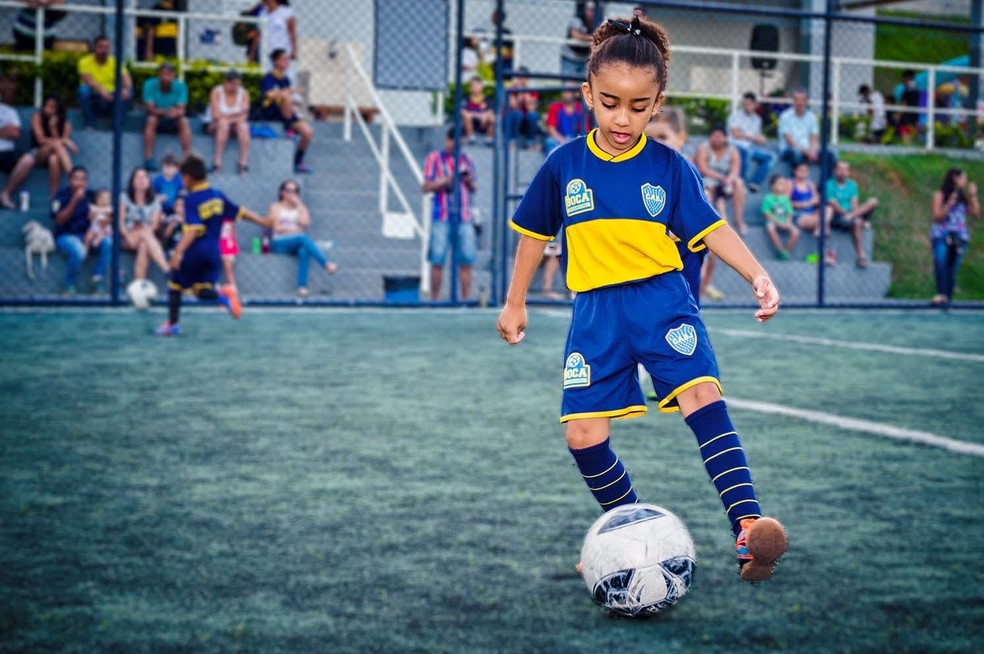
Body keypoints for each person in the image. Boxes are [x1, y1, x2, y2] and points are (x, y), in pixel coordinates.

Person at [496, 15, 786, 583]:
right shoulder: (564, 164)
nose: (622, 118)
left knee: (702, 395)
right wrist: (515, 302)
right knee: (582, 433)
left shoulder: (669, 167)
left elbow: (711, 227)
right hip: (596, 314)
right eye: (609, 103)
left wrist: (757, 273)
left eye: (637, 106)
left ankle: (750, 527)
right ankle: (627, 537)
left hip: (662, 303)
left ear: (657, 103)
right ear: (588, 96)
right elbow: (534, 234)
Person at [156, 155, 273, 336]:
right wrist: (263, 221)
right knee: (201, 290)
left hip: (196, 249)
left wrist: (178, 252)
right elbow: (240, 212)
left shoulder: (191, 199)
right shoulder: (217, 195)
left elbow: (193, 229)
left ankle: (172, 325)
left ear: (187, 178)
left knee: (175, 285)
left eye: (182, 178)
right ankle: (223, 294)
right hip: (214, 252)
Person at [422, 128, 478, 301]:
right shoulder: (434, 159)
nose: (457, 146)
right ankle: (435, 300)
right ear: (447, 140)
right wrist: (447, 180)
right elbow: (425, 187)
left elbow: (475, 187)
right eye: (454, 142)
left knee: (466, 260)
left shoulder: (467, 159)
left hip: (464, 215)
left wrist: (467, 180)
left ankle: (465, 300)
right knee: (437, 260)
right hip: (442, 215)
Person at [267, 179, 338, 297]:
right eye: (288, 191)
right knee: (302, 238)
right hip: (279, 242)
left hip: (296, 241)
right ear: (281, 192)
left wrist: (299, 205)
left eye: (294, 191)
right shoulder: (275, 207)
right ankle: (326, 264)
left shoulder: (301, 208)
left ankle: (301, 287)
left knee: (304, 251)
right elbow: (276, 227)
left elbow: (305, 224)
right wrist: (295, 229)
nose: (291, 194)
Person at [50, 165, 110, 293]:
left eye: (83, 179)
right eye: (76, 179)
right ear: (69, 180)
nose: (79, 183)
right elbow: (58, 220)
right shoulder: (60, 195)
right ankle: (69, 283)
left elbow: (107, 207)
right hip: (66, 235)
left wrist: (102, 218)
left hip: (87, 234)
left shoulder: (91, 195)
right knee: (79, 251)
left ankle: (96, 280)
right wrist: (74, 201)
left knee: (107, 242)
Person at [260, 48, 313, 174]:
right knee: (285, 96)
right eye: (284, 59)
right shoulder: (268, 77)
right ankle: (289, 128)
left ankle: (298, 161)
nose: (287, 62)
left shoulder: (286, 79)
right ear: (275, 61)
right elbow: (269, 95)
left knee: (307, 132)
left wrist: (295, 101)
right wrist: (289, 91)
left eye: (288, 59)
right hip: (272, 111)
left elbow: (288, 99)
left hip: (286, 114)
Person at [929, 168, 978, 306]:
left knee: (952, 267)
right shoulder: (940, 195)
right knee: (941, 263)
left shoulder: (964, 197)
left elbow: (975, 213)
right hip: (941, 234)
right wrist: (948, 205)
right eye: (963, 178)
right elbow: (937, 217)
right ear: (955, 178)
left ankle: (948, 297)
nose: (965, 181)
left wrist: (973, 196)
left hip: (959, 236)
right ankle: (941, 294)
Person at [119, 166, 170, 282]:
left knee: (144, 245)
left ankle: (138, 284)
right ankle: (167, 269)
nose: (141, 180)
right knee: (145, 236)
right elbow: (120, 223)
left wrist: (144, 233)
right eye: (138, 177)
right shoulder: (124, 197)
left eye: (144, 177)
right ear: (132, 182)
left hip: (146, 238)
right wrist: (127, 236)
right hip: (127, 236)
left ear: (148, 181)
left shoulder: (155, 201)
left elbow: (154, 226)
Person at [695, 124, 748, 235]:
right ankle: (710, 224)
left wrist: (729, 178)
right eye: (714, 136)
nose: (716, 139)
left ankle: (739, 220)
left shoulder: (733, 150)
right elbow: (703, 168)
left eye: (719, 136)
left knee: (739, 183)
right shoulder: (703, 148)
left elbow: (735, 169)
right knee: (708, 187)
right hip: (708, 177)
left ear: (725, 137)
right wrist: (721, 178)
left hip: (725, 179)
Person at [825, 161, 878, 268]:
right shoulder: (829, 184)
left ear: (848, 172)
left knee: (873, 201)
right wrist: (847, 213)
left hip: (851, 214)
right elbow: (832, 204)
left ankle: (857, 219)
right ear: (835, 171)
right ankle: (860, 256)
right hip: (837, 215)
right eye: (840, 169)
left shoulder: (852, 185)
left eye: (845, 170)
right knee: (857, 223)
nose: (843, 172)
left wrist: (852, 214)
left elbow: (854, 203)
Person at [141, 62, 191, 171]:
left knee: (184, 121)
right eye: (163, 74)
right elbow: (150, 109)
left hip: (172, 119)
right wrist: (168, 110)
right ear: (158, 75)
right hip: (156, 118)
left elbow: (181, 109)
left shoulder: (181, 87)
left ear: (174, 76)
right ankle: (148, 158)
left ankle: (187, 159)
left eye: (169, 74)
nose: (166, 77)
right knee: (151, 119)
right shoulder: (149, 85)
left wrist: (173, 112)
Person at [77, 35, 133, 130]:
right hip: (95, 95)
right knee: (83, 91)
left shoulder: (115, 62)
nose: (104, 50)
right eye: (101, 47)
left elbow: (126, 78)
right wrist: (101, 91)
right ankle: (90, 124)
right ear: (94, 47)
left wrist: (126, 88)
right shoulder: (84, 61)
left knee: (129, 92)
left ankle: (117, 126)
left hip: (113, 95)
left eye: (107, 47)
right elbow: (88, 80)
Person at [726, 92, 776, 193]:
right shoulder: (735, 116)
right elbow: (735, 134)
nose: (746, 106)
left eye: (749, 104)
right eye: (744, 104)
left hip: (751, 148)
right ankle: (741, 183)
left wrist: (761, 139)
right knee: (745, 152)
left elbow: (756, 138)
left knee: (772, 156)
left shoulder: (757, 119)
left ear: (754, 104)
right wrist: (753, 137)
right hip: (735, 147)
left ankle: (754, 183)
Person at [788, 161, 835, 266]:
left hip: (812, 214)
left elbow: (817, 199)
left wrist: (811, 202)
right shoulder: (790, 183)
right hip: (798, 215)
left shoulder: (810, 184)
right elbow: (786, 201)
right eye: (801, 170)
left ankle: (816, 254)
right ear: (795, 171)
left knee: (828, 209)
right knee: (824, 225)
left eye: (806, 171)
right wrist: (803, 204)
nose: (803, 173)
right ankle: (821, 255)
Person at [30, 94, 78, 196]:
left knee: (54, 159)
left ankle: (54, 196)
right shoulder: (37, 117)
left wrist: (53, 129)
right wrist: (65, 141)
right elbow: (40, 139)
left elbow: (61, 147)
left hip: (56, 156)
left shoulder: (66, 124)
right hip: (38, 154)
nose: (47, 109)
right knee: (56, 145)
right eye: (46, 105)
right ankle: (73, 177)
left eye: (52, 107)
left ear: (58, 110)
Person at [205, 70, 251, 175]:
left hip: (234, 125)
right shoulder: (216, 92)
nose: (236, 87)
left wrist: (227, 117)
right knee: (223, 125)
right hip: (214, 124)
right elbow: (216, 115)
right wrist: (235, 115)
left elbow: (244, 116)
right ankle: (217, 161)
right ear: (226, 82)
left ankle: (243, 162)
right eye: (233, 84)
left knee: (243, 126)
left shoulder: (244, 93)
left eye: (238, 84)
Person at [777, 88, 833, 171]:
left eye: (802, 100)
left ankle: (824, 182)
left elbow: (814, 137)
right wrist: (806, 152)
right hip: (789, 150)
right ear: (793, 101)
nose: (799, 103)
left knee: (831, 154)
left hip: (808, 150)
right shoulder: (785, 116)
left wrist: (813, 151)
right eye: (796, 100)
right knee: (796, 154)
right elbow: (789, 141)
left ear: (806, 101)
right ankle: (797, 182)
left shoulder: (811, 117)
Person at [0, 96, 37, 210]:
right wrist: (3, 131)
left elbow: (15, 134)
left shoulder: (9, 111)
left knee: (29, 159)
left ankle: (5, 194)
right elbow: (8, 131)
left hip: (6, 152)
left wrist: (8, 132)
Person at [761, 175, 799, 259]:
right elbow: (766, 213)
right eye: (779, 184)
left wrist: (788, 222)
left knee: (795, 231)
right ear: (772, 186)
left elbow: (789, 213)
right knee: (770, 228)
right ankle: (780, 249)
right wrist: (778, 222)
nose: (782, 186)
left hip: (784, 221)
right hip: (773, 221)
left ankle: (786, 251)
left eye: (783, 184)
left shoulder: (785, 199)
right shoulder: (768, 198)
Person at [503, 68, 540, 149]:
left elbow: (531, 108)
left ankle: (530, 143)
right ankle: (512, 142)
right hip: (511, 121)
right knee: (517, 113)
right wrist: (519, 92)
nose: (522, 80)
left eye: (524, 78)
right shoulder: (511, 89)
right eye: (519, 78)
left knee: (532, 115)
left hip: (525, 122)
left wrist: (526, 91)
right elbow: (513, 106)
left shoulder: (532, 91)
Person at [258, 0, 297, 75]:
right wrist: (252, 53)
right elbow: (259, 35)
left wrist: (294, 50)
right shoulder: (262, 13)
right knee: (267, 76)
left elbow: (292, 32)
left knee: (285, 77)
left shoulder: (286, 12)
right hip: (265, 52)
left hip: (282, 52)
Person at [559, 3, 595, 78]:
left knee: (581, 87)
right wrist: (591, 37)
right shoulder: (577, 19)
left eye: (593, 10)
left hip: (585, 59)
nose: (591, 13)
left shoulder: (597, 22)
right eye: (589, 9)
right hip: (570, 57)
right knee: (568, 86)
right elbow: (575, 35)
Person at [459, 77, 495, 145]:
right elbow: (462, 110)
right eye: (472, 85)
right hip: (471, 123)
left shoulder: (486, 100)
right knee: (467, 115)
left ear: (482, 87)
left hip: (484, 123)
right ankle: (471, 137)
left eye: (476, 85)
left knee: (492, 117)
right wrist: (478, 115)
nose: (474, 87)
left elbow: (491, 111)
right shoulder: (466, 99)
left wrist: (486, 115)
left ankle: (489, 138)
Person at [151, 152, 183, 217]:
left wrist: (177, 202)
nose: (168, 170)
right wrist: (158, 197)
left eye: (171, 167)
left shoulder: (179, 179)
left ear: (177, 169)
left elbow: (183, 193)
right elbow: (150, 194)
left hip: (175, 209)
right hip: (161, 209)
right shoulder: (157, 180)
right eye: (165, 167)